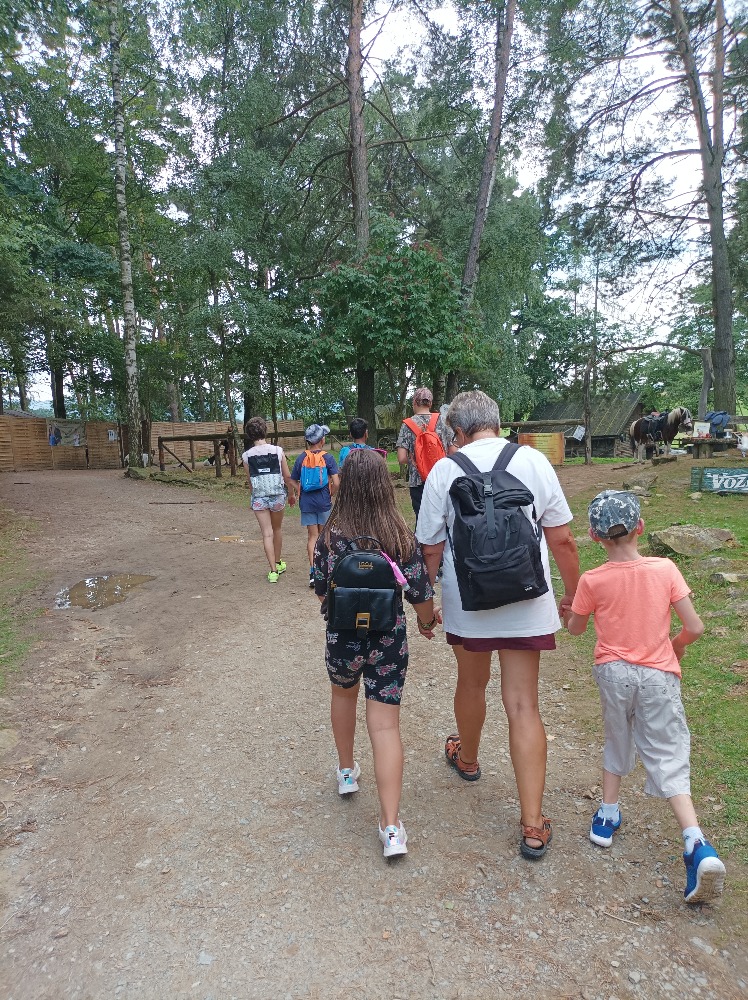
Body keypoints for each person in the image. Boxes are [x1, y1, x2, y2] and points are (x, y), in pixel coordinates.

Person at [416, 390, 580, 860]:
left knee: (471, 682)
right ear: (498, 422)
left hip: (468, 602)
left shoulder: (444, 471)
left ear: (456, 431)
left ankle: (467, 759)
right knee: (523, 704)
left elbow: (430, 549)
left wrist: (425, 608)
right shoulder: (532, 461)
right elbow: (562, 539)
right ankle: (533, 824)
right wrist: (573, 594)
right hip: (527, 598)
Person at [563, 490, 726, 904]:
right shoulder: (665, 569)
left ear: (594, 536)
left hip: (613, 673)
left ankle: (607, 816)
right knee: (667, 750)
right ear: (640, 527)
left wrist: (570, 612)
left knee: (616, 735)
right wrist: (676, 646)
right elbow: (695, 626)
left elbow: (576, 630)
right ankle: (695, 841)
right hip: (658, 675)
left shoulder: (592, 580)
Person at [312, 448, 439, 858]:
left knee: (342, 696)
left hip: (343, 638)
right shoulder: (399, 535)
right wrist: (425, 622)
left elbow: (320, 588)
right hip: (388, 640)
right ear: (384, 485)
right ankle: (391, 827)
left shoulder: (329, 537)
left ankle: (347, 771)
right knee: (385, 727)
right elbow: (419, 593)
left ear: (346, 485)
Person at [241, 416, 296, 583]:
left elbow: (250, 481)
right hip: (277, 495)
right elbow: (287, 477)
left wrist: (254, 497)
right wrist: (291, 494)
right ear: (265, 430)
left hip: (259, 498)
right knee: (277, 529)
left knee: (266, 533)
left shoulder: (246, 456)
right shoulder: (278, 451)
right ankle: (278, 562)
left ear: (249, 434)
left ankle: (273, 571)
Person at [290, 424, 340, 588]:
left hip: (307, 502)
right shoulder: (328, 458)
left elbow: (292, 480)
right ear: (322, 440)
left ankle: (313, 573)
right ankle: (325, 571)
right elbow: (337, 482)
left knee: (312, 536)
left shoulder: (301, 458)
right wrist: (331, 492)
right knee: (325, 536)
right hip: (323, 501)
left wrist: (299, 490)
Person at [396, 387, 450, 522]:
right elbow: (453, 450)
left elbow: (401, 458)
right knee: (443, 519)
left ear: (414, 402)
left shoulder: (407, 425)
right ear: (430, 403)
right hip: (441, 478)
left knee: (422, 521)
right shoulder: (443, 421)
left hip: (418, 480)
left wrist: (415, 461)